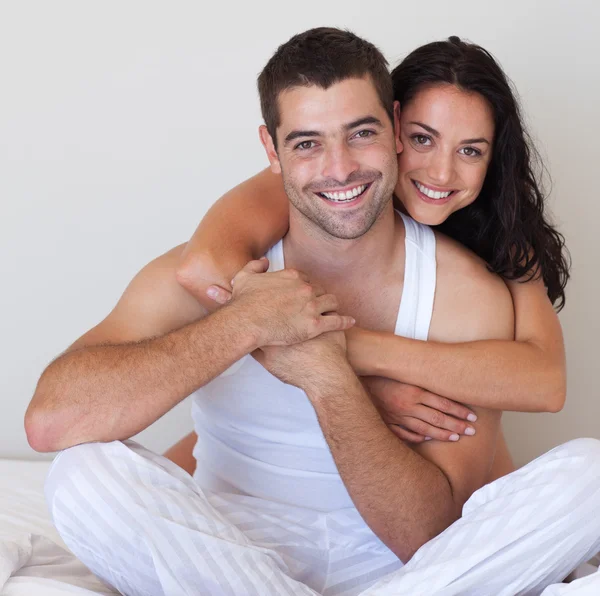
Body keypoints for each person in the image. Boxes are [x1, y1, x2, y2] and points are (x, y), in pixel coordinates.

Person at [26, 28, 600, 596]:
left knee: (590, 475)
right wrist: (246, 323)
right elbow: (51, 421)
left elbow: (428, 534)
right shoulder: (209, 270)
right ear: (271, 151)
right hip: (228, 547)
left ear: (390, 130)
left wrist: (334, 376)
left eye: (361, 134)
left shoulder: (473, 290)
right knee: (81, 475)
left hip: (396, 563)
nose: (340, 167)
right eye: (306, 143)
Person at [171, 36, 571, 482]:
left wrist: (359, 360)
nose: (441, 172)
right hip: (302, 443)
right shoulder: (324, 183)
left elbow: (545, 382)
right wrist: (358, 382)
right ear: (390, 128)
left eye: (470, 150)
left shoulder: (504, 234)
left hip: (453, 467)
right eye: (422, 139)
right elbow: (204, 265)